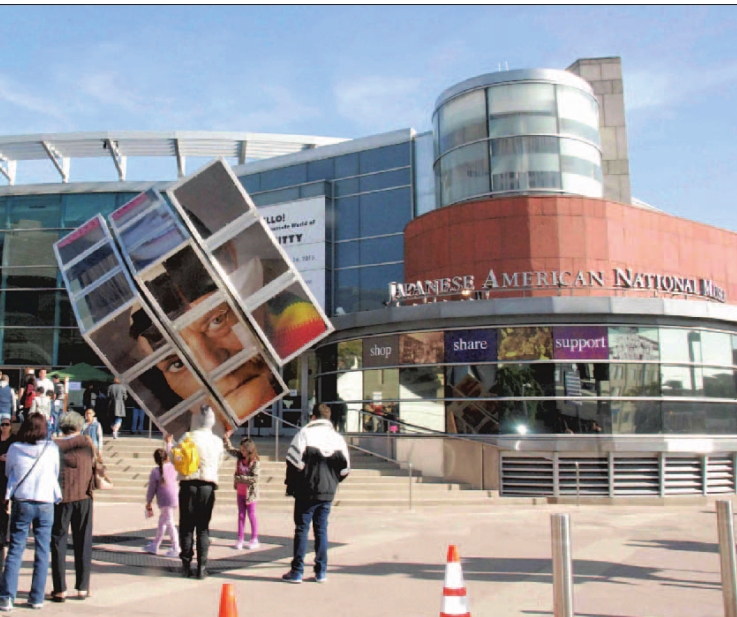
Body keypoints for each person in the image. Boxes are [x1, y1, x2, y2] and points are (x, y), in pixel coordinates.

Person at [282, 403, 350, 584]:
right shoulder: (337, 439)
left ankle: (297, 571)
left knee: (302, 529)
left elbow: (293, 460)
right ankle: (321, 572)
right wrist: (333, 481)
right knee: (321, 530)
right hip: (327, 492)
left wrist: (297, 481)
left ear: (313, 417)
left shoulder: (304, 434)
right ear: (328, 418)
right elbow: (345, 469)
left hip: (306, 490)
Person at [0, 413, 61, 612]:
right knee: (42, 550)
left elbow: (9, 471)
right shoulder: (51, 449)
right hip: (45, 500)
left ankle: (7, 597)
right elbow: (55, 472)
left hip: (23, 499)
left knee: (16, 548)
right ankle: (36, 597)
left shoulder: (15, 448)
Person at [50, 412, 96, 602]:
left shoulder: (54, 446)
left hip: (61, 498)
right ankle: (83, 587)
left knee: (58, 541)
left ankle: (60, 589)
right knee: (83, 540)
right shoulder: (86, 442)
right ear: (79, 425)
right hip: (84, 495)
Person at [174, 404, 224, 580]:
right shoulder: (217, 441)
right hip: (207, 486)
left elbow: (175, 458)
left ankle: (186, 565)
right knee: (203, 527)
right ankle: (202, 567)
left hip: (187, 484)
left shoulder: (187, 438)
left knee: (186, 527)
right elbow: (219, 462)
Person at [222, 433, 260, 550]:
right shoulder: (240, 457)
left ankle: (254, 538)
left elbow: (255, 478)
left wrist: (241, 478)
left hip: (250, 494)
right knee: (241, 515)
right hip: (240, 492)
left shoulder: (254, 462)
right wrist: (226, 440)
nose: (242, 452)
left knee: (251, 515)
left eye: (244, 450)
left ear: (249, 450)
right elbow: (230, 450)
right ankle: (240, 538)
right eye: (241, 450)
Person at [144, 448, 179, 557]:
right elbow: (173, 455)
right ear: (167, 457)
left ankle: (176, 547)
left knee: (169, 522)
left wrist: (148, 501)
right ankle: (155, 544)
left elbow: (151, 489)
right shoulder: (173, 467)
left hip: (164, 499)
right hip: (174, 497)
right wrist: (168, 444)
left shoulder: (155, 472)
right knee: (163, 522)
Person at [0, 417, 16, 571]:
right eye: (2, 424)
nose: (4, 427)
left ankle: (6, 533)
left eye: (7, 424)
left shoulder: (14, 440)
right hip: (0, 475)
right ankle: (3, 533)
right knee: (2, 507)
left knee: (8, 505)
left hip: (9, 475)